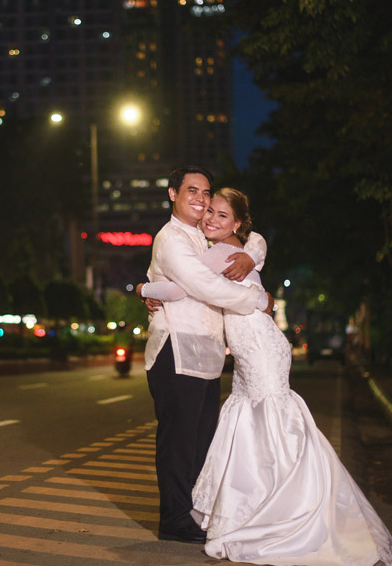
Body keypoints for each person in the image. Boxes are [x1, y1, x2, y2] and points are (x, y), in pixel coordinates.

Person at [139, 187, 392, 565]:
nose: (212, 218)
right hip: (253, 349)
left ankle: (288, 512)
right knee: (255, 425)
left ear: (238, 223)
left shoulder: (220, 251)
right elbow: (252, 246)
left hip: (260, 348)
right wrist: (144, 288)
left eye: (221, 214)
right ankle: (269, 508)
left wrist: (145, 287)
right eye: (210, 211)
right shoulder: (232, 247)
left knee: (273, 425)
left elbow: (182, 287)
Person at [143, 166, 273, 544]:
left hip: (209, 354)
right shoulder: (171, 238)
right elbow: (205, 285)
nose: (201, 199)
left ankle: (195, 513)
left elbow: (253, 237)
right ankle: (175, 520)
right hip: (176, 351)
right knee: (178, 442)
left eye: (206, 192)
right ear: (173, 194)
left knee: (201, 442)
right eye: (192, 191)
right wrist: (258, 299)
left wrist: (250, 255)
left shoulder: (204, 232)